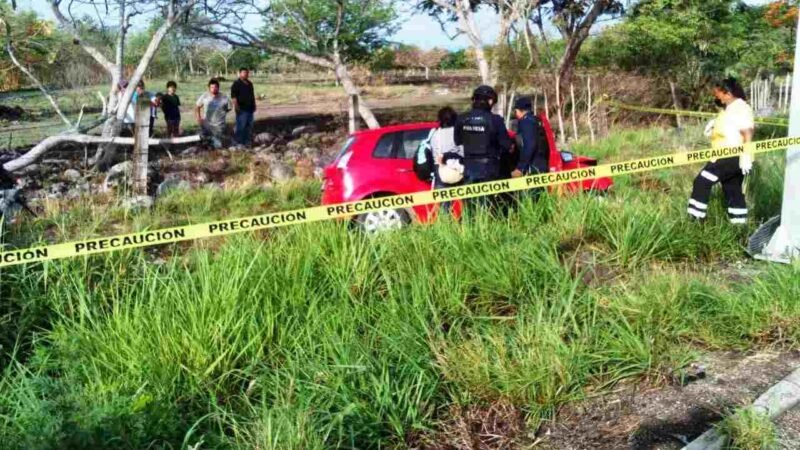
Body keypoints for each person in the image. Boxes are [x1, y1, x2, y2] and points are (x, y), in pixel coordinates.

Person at [688, 77, 754, 224]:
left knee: (702, 182)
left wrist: (746, 154)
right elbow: (729, 129)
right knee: (732, 189)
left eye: (718, 94)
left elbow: (747, 132)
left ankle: (695, 221)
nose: (716, 97)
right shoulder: (730, 109)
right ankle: (739, 225)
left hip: (729, 156)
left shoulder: (740, 108)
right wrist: (714, 126)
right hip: (727, 155)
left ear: (728, 93)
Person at [454, 85, 512, 209]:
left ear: (474, 99)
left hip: (469, 168)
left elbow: (457, 141)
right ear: (490, 101)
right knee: (489, 206)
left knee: (470, 207)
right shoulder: (495, 120)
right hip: (489, 169)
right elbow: (506, 144)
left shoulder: (461, 118)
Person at [430, 106, 463, 214]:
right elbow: (464, 152)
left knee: (444, 207)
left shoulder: (435, 134)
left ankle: (446, 227)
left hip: (441, 171)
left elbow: (434, 154)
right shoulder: (459, 132)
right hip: (459, 170)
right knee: (467, 202)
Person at [511, 96, 546, 177]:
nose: (515, 114)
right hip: (539, 164)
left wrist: (521, 168)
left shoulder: (526, 122)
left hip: (532, 167)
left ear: (519, 110)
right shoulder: (535, 120)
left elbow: (529, 146)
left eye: (515, 111)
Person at [196, 78, 232, 149]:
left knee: (218, 145)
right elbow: (197, 107)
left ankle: (213, 144)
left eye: (216, 87)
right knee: (202, 140)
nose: (214, 89)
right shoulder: (205, 96)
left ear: (218, 88)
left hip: (219, 126)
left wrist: (220, 114)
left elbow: (229, 108)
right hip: (207, 125)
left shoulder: (224, 97)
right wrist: (199, 118)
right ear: (209, 88)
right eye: (212, 87)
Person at [230, 67, 256, 148]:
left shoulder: (249, 83)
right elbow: (233, 97)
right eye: (244, 73)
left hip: (250, 109)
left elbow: (252, 95)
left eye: (247, 73)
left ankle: (247, 141)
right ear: (240, 73)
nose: (246, 74)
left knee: (249, 126)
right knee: (241, 126)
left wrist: (254, 105)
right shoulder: (236, 83)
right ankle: (239, 142)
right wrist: (236, 107)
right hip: (242, 109)